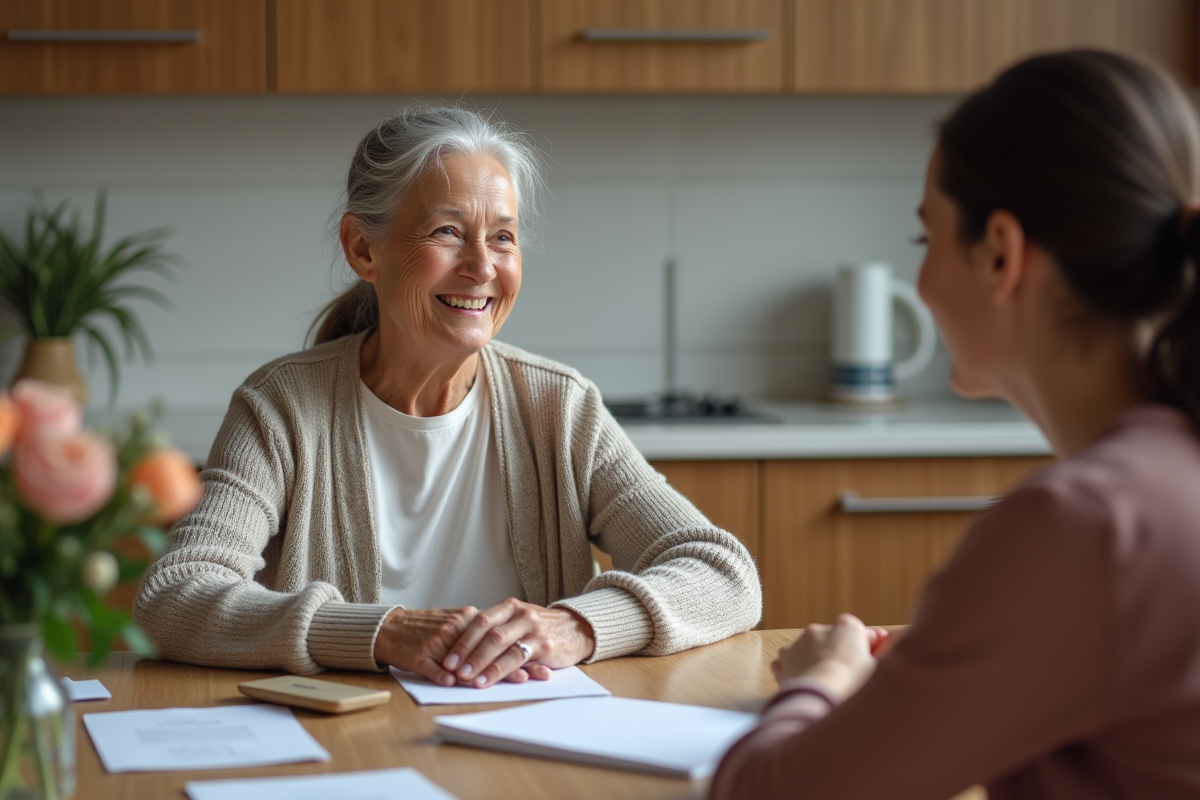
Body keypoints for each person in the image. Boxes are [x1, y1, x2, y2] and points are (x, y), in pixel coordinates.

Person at [710, 49, 1200, 800]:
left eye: (925, 240)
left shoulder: (1084, 525)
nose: (922, 280)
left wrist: (822, 680)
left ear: (1000, 254)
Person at [134, 106, 761, 687]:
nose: (482, 266)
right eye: (447, 231)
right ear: (363, 248)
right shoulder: (281, 407)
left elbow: (724, 574)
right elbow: (175, 593)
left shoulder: (561, 408)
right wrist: (380, 631)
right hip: (349, 751)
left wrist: (574, 626)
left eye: (503, 238)